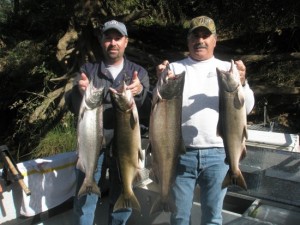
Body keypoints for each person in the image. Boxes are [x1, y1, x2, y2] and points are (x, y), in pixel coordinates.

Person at [156, 16, 255, 225]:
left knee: (213, 218)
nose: (200, 40)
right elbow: (158, 107)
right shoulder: (174, 69)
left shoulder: (227, 69)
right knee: (180, 217)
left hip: (219, 155)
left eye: (205, 36)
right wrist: (159, 80)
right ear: (188, 40)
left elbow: (247, 107)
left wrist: (243, 83)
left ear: (215, 40)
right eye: (195, 35)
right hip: (181, 155)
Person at [69, 19, 150, 225]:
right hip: (92, 145)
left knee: (120, 198)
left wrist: (139, 93)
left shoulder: (138, 73)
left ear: (125, 42)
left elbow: (149, 109)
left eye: (117, 38)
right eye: (108, 38)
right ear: (101, 41)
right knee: (85, 201)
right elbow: (73, 106)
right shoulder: (88, 70)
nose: (113, 43)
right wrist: (79, 92)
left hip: (125, 146)